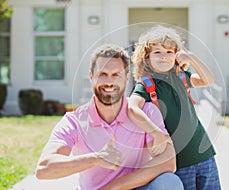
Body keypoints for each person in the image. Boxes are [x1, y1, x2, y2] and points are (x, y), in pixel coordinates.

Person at [35, 43, 184, 190]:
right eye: (102, 74)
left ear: (126, 78)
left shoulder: (145, 112)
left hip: (133, 187)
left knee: (169, 182)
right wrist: (95, 158)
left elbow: (168, 161)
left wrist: (114, 187)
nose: (109, 82)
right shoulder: (74, 121)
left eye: (116, 75)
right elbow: (44, 169)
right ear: (91, 76)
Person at [128, 25, 221, 189]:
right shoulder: (146, 84)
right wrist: (155, 133)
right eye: (157, 52)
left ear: (176, 56)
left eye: (169, 52)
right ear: (146, 57)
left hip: (205, 154)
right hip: (178, 162)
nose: (164, 56)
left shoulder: (181, 77)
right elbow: (132, 109)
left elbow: (208, 80)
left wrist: (191, 57)